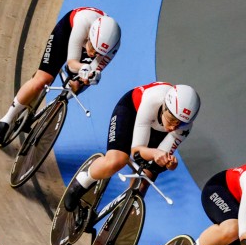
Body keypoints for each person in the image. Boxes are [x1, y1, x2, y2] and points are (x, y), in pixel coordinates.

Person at [60, 82, 200, 213]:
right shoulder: (152, 100)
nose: (174, 127)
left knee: (144, 181)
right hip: (132, 110)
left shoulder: (185, 127)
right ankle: (81, 183)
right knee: (117, 160)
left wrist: (169, 163)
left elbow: (158, 160)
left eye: (180, 124)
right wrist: (155, 153)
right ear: (165, 106)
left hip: (156, 128)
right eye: (172, 120)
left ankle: (118, 221)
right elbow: (137, 151)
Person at [0, 7, 121, 144]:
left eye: (97, 53)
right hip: (67, 32)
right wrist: (83, 67)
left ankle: (47, 113)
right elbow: (71, 63)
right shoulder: (83, 22)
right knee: (42, 80)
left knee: (74, 87)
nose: (92, 54)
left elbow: (94, 70)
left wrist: (88, 77)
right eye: (92, 48)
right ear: (90, 36)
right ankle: (6, 119)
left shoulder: (111, 48)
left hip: (93, 46)